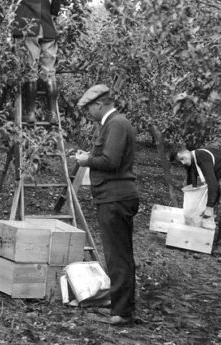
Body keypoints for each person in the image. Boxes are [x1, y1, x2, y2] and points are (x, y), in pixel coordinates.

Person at [75, 84, 138, 325]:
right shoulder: (114, 124)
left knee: (117, 255)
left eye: (89, 108)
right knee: (119, 254)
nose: (89, 113)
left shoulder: (116, 124)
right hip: (114, 196)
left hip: (116, 196)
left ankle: (121, 312)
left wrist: (86, 160)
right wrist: (89, 158)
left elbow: (110, 161)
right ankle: (122, 306)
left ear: (99, 104)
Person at [169, 147, 221, 255]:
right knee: (213, 202)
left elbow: (213, 185)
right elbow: (191, 180)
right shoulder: (191, 161)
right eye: (181, 161)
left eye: (183, 159)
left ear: (187, 153)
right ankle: (213, 237)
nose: (183, 162)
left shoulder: (201, 158)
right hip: (219, 176)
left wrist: (209, 207)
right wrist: (190, 201)